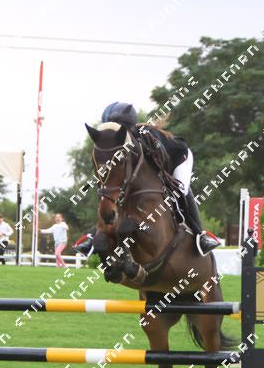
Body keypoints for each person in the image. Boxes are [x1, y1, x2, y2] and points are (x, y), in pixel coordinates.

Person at [74, 102, 220, 257]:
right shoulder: (121, 143)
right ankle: (93, 235)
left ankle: (200, 235)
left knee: (181, 189)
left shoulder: (144, 137)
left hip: (179, 157)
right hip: (161, 161)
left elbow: (158, 168)